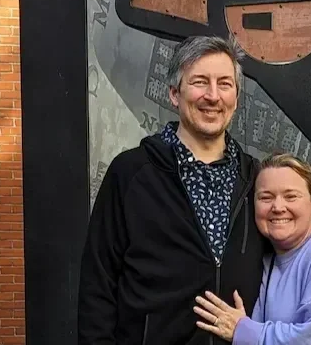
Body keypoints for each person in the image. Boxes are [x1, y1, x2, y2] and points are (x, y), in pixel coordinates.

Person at [78, 35, 268, 345]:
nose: (212, 96)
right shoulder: (132, 173)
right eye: (199, 82)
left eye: (224, 84)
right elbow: (98, 284)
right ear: (174, 94)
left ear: (236, 97)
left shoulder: (256, 179)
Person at [193, 153, 311, 345]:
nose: (278, 207)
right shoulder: (264, 262)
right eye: (266, 197)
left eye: (291, 196)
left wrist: (243, 331)